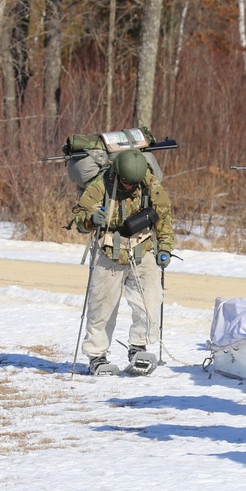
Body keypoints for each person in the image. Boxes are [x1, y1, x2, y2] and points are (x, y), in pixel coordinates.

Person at [72, 148, 174, 376]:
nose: (131, 187)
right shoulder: (100, 185)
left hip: (143, 248)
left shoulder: (148, 182)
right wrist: (89, 219)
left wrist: (165, 248)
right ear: (117, 175)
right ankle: (97, 357)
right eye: (127, 183)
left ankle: (139, 347)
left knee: (150, 301)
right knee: (102, 306)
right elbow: (77, 217)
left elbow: (164, 215)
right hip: (109, 250)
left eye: (134, 184)